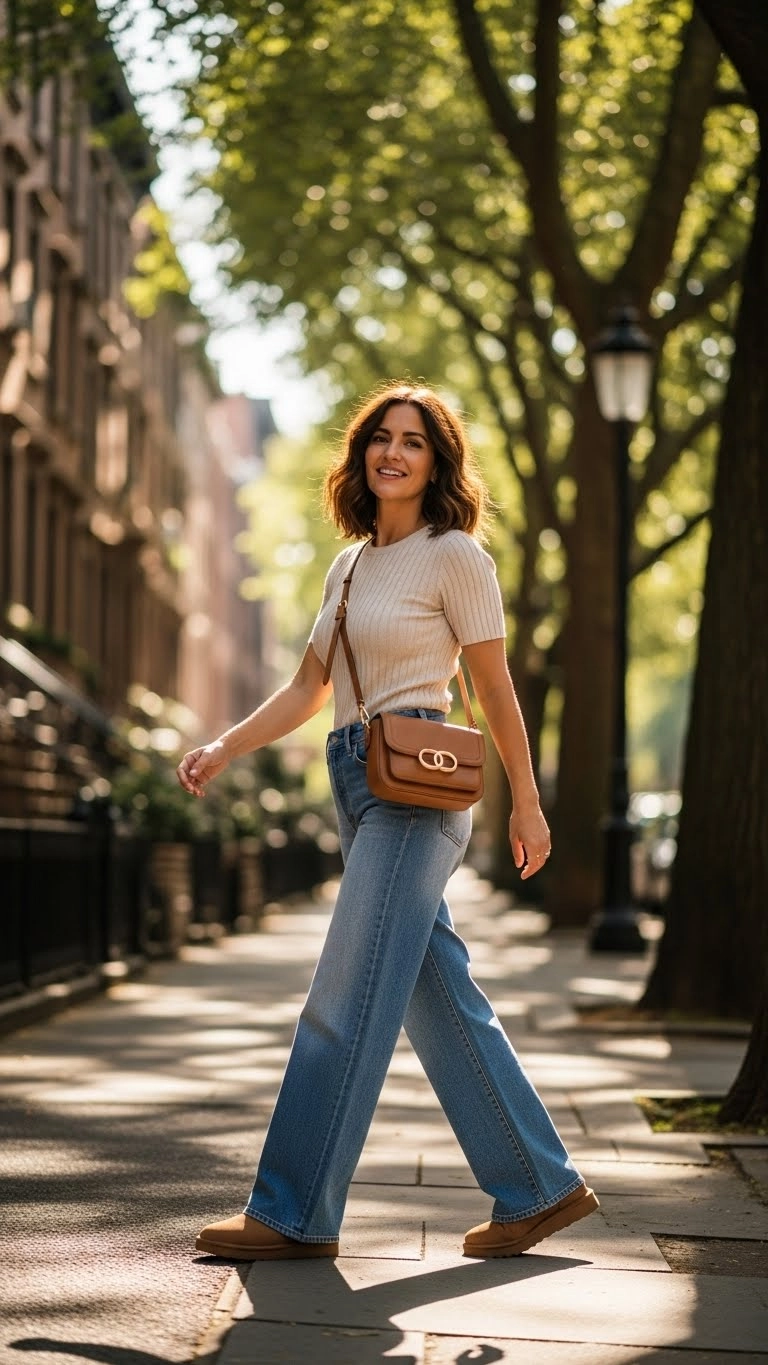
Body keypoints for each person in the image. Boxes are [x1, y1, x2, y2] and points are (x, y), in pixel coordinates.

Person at [176, 381, 598, 1261]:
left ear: (438, 462)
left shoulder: (457, 557)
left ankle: (291, 1212)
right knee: (434, 994)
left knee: (342, 998)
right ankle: (538, 1184)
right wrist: (224, 746)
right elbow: (308, 688)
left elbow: (492, 688)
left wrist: (526, 797)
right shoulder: (352, 564)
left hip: (420, 786)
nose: (393, 452)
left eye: (414, 440)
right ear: (361, 454)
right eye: (380, 437)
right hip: (353, 778)